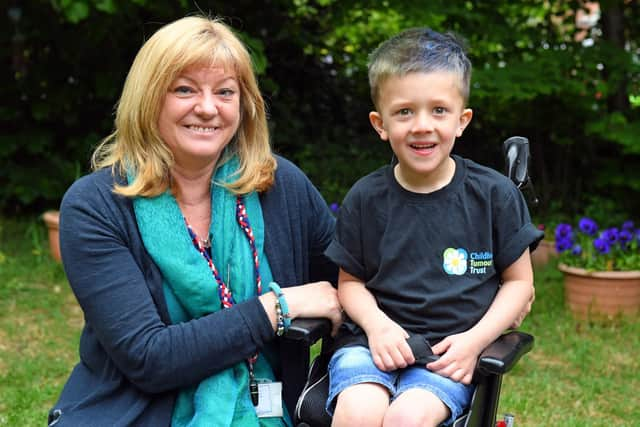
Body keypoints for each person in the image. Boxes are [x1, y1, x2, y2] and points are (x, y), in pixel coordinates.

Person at [48, 16, 342, 427]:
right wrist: (277, 307)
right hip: (134, 415)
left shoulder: (280, 185)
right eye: (184, 89)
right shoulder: (96, 206)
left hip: (268, 413)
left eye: (225, 92)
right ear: (149, 99)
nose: (207, 107)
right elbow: (149, 359)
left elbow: (357, 279)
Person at [324, 28, 543, 427]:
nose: (422, 125)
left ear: (462, 121)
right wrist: (378, 328)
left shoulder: (493, 196)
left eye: (438, 111)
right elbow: (350, 283)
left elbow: (519, 284)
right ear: (380, 123)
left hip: (450, 351)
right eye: (404, 111)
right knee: (358, 411)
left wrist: (474, 343)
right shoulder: (366, 198)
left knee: (408, 417)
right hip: (373, 343)